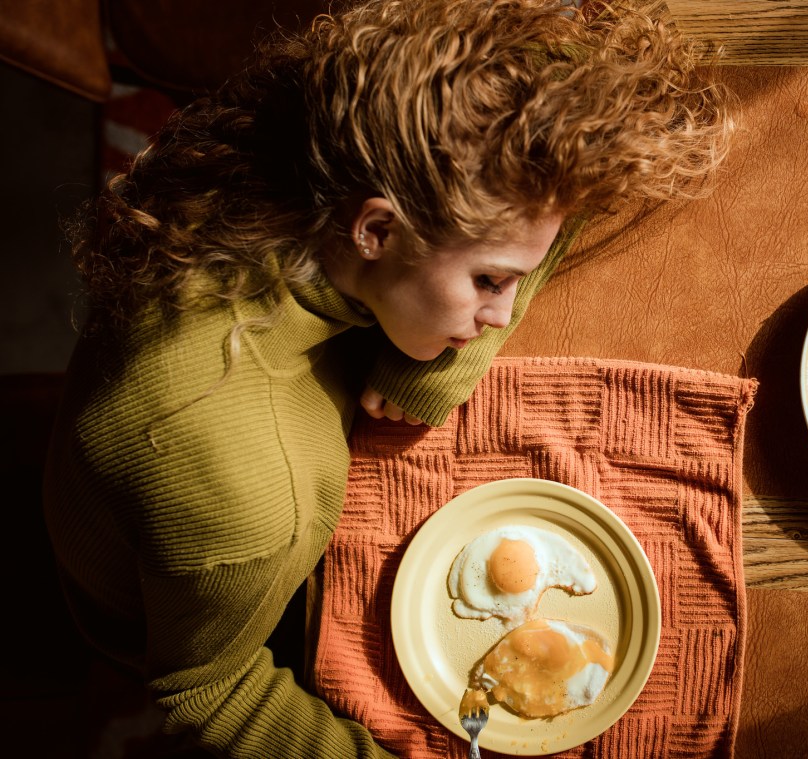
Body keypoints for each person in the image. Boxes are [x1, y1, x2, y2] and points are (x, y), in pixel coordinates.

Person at [43, 0, 732, 756]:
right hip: (179, 597)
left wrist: (434, 360)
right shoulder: (257, 494)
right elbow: (205, 686)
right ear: (375, 230)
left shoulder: (347, 129)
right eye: (488, 281)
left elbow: (553, 165)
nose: (499, 315)